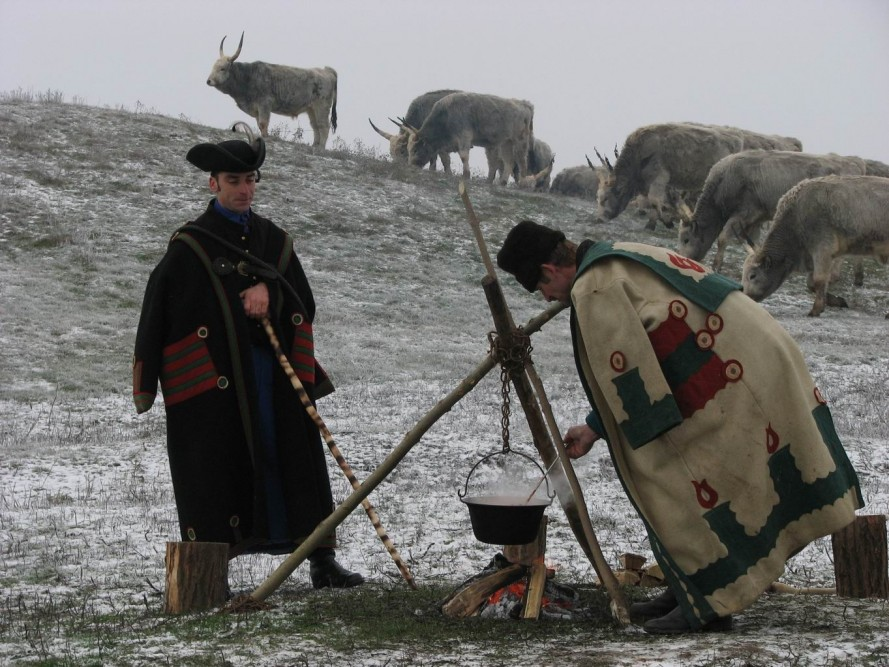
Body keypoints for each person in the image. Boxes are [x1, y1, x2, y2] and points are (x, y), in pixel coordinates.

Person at [496, 220, 863, 634]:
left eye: (541, 287)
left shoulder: (594, 287)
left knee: (674, 479)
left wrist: (629, 437)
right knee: (704, 475)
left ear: (549, 270)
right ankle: (691, 584)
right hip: (754, 355)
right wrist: (596, 427)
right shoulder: (619, 254)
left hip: (728, 368)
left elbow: (629, 380)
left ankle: (709, 601)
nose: (547, 297)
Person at [133, 127, 363, 589]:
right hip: (217, 385)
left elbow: (304, 302)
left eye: (250, 180)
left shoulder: (273, 241)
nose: (244, 189)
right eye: (234, 181)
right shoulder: (190, 246)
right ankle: (210, 571)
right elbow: (158, 310)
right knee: (218, 468)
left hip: (274, 377)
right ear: (213, 183)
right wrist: (147, 383)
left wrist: (269, 292)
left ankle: (320, 558)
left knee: (293, 458)